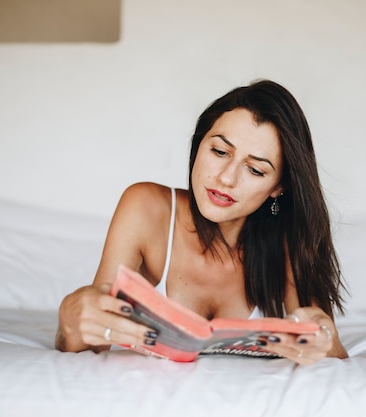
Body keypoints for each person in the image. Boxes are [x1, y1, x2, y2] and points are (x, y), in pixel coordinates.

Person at [56, 79, 348, 364]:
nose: (226, 178)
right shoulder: (146, 208)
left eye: (255, 170)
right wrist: (71, 318)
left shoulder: (287, 237)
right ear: (199, 145)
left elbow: (329, 353)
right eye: (220, 152)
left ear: (278, 187)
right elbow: (91, 342)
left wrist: (325, 339)